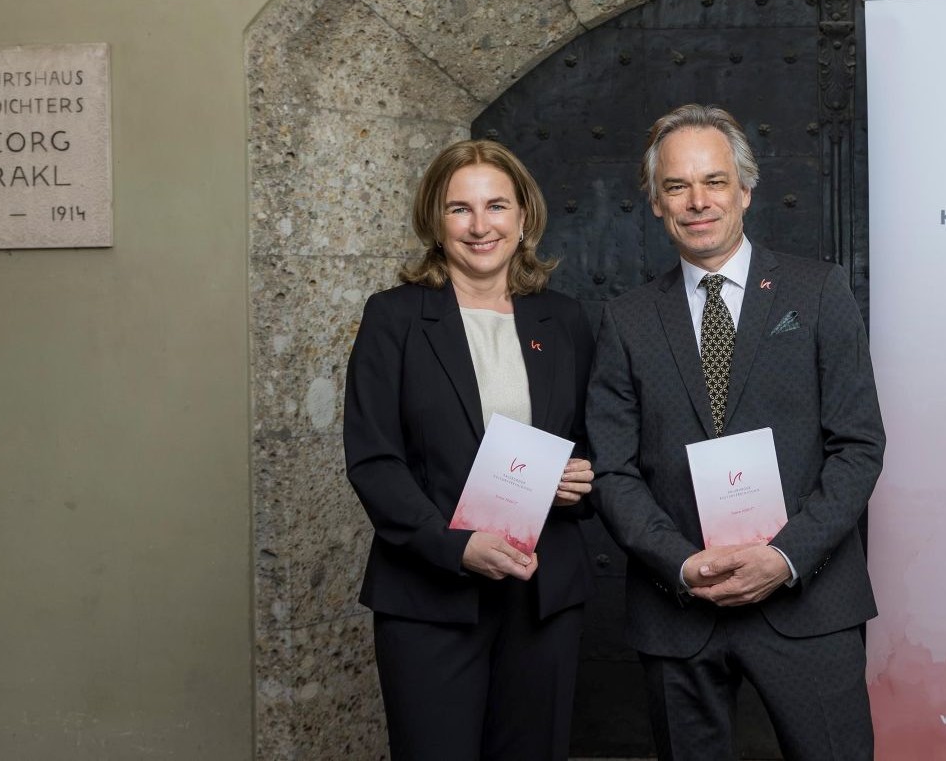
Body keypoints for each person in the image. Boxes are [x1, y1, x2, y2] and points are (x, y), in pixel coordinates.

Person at [587, 104, 886, 760]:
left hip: (808, 601)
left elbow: (858, 447)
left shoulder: (818, 293)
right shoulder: (626, 320)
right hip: (679, 607)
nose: (698, 202)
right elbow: (612, 469)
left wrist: (782, 557)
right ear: (657, 203)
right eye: (677, 186)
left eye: (715, 181)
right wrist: (680, 563)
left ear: (745, 190)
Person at [343, 139, 595, 760]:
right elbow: (375, 459)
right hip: (429, 595)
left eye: (496, 206)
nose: (480, 226)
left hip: (542, 597)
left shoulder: (564, 320)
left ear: (524, 217)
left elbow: (596, 441)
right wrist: (455, 547)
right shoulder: (394, 317)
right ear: (435, 220)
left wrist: (580, 478)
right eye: (460, 209)